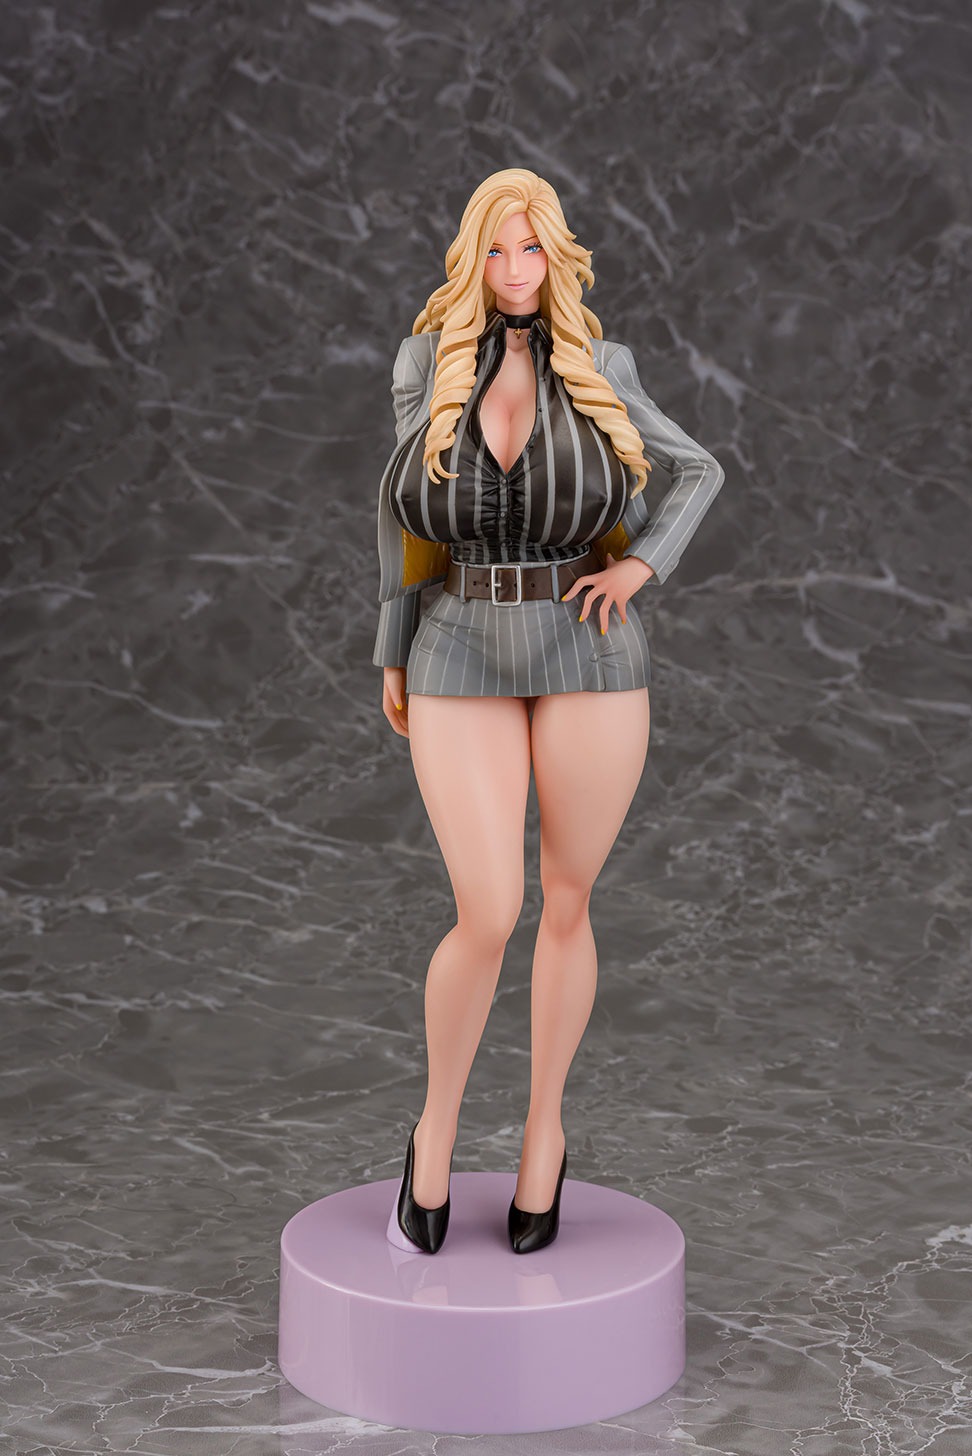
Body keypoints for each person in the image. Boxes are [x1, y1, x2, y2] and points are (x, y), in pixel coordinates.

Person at [374, 167, 724, 1255]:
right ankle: (433, 1132)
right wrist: (391, 645)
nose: (516, 269)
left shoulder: (602, 366)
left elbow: (698, 470)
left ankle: (544, 1136)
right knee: (488, 909)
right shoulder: (425, 363)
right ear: (471, 258)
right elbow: (401, 518)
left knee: (566, 901)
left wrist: (641, 568)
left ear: (556, 254)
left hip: (589, 644)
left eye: (532, 248)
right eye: (496, 249)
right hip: (458, 634)